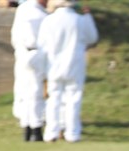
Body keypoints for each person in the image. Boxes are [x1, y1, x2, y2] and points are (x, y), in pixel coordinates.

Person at [36, 0, 98, 143]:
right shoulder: (80, 20)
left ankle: (51, 132)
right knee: (73, 98)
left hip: (53, 65)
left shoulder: (48, 20)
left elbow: (41, 45)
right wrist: (88, 16)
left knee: (53, 98)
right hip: (75, 64)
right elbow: (93, 37)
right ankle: (72, 133)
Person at [10, 0, 48, 142]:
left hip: (21, 52)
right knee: (35, 93)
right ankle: (36, 129)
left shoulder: (23, 9)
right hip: (35, 52)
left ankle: (26, 127)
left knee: (24, 91)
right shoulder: (40, 14)